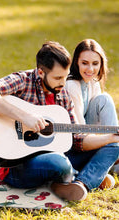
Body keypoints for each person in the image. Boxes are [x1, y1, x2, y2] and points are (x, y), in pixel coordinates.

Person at [0, 41, 119, 201]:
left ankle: (81, 183)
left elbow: (77, 139)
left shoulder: (62, 95)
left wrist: (109, 137)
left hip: (57, 154)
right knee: (59, 163)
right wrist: (24, 116)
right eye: (57, 78)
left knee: (114, 146)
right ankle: (81, 175)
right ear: (41, 73)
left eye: (65, 76)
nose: (63, 83)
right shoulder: (23, 80)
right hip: (17, 165)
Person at [65, 39, 119, 176]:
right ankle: (112, 155)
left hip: (91, 134)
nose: (90, 69)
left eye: (95, 64)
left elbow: (101, 120)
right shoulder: (72, 85)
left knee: (104, 98)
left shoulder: (93, 82)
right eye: (84, 63)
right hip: (76, 141)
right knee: (105, 98)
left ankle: (114, 153)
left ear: (101, 64)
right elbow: (80, 131)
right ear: (76, 62)